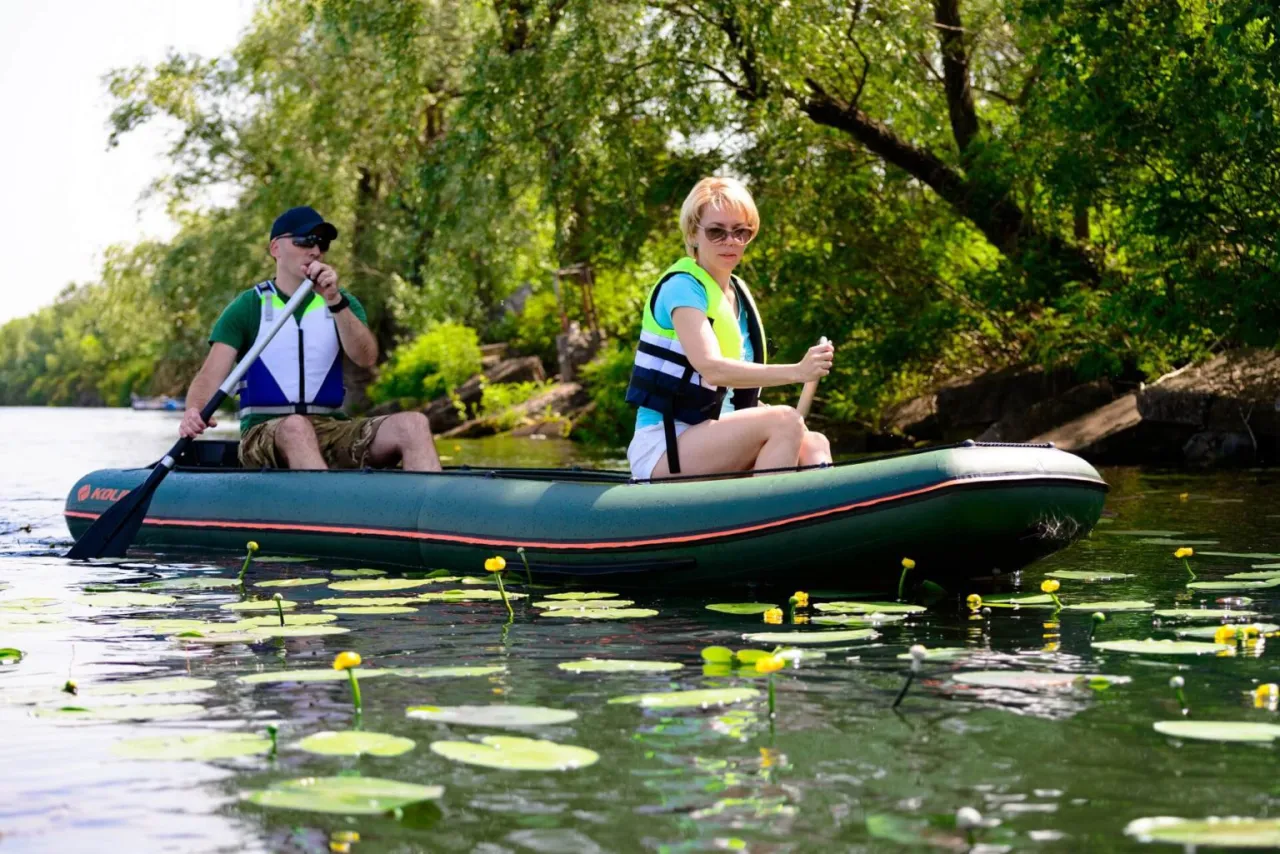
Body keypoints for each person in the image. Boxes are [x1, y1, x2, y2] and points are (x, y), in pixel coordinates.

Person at [179, 206, 442, 472]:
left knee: (414, 424)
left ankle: (430, 499)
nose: (315, 250)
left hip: (331, 428)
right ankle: (328, 499)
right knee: (296, 426)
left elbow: (366, 358)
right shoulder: (247, 307)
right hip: (263, 432)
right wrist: (194, 410)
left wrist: (334, 300)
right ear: (275, 248)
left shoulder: (342, 303)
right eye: (304, 241)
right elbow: (210, 375)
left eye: (321, 244)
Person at [624, 177, 835, 479]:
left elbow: (731, 396)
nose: (730, 241)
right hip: (665, 445)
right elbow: (712, 369)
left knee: (814, 442)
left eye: (740, 232)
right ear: (693, 233)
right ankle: (768, 507)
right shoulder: (682, 288)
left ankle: (825, 508)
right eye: (716, 231)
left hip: (715, 436)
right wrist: (798, 372)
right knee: (785, 420)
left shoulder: (738, 293)